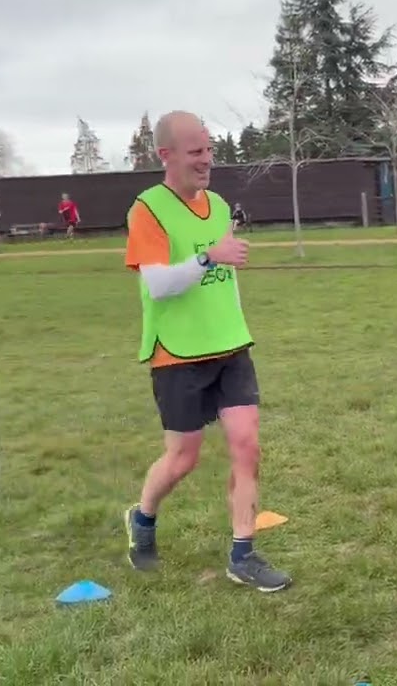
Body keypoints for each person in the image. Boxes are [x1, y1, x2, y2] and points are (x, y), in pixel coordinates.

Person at [122, 110, 290, 592]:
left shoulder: (218, 206)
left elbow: (224, 278)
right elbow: (157, 284)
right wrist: (207, 257)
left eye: (210, 150)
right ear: (166, 155)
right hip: (177, 353)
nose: (207, 160)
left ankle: (243, 554)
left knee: (247, 445)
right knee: (183, 459)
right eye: (196, 152)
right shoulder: (148, 209)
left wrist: (236, 311)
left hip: (230, 344)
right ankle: (144, 518)